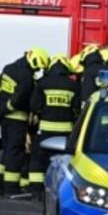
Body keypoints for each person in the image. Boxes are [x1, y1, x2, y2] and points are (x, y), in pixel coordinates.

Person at [29, 55, 80, 202]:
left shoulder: (43, 83)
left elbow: (34, 106)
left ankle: (36, 191)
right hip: (66, 132)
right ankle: (63, 192)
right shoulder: (73, 86)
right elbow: (77, 110)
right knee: (65, 163)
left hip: (45, 130)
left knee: (38, 160)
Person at [0, 48, 49, 200]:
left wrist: (2, 110)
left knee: (7, 150)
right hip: (17, 119)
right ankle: (11, 188)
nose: (38, 70)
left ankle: (1, 184)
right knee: (15, 152)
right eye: (38, 67)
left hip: (4, 117)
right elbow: (21, 99)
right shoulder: (27, 78)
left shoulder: (8, 68)